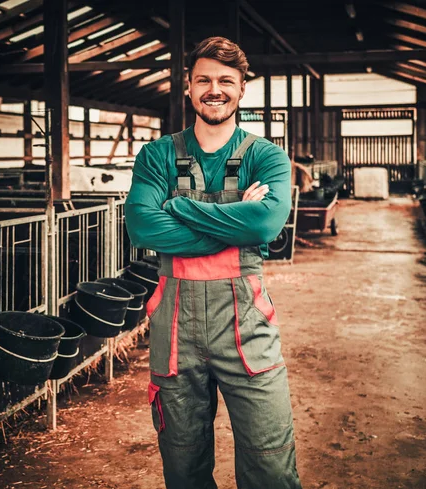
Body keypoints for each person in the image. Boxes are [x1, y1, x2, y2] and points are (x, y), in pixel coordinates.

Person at [125, 36, 302, 489]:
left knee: (270, 462)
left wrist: (179, 208)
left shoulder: (266, 156)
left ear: (243, 89)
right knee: (183, 467)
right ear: (188, 86)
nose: (214, 89)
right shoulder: (157, 154)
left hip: (246, 323)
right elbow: (143, 228)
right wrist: (233, 219)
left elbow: (264, 226)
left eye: (226, 80)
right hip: (174, 327)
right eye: (203, 79)